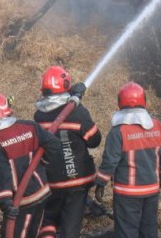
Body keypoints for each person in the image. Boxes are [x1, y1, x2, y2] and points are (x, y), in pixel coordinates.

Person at [94, 82, 161, 238]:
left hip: (127, 193)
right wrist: (160, 178)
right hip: (151, 190)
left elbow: (110, 161)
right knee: (149, 230)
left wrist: (100, 183)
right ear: (144, 101)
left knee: (126, 232)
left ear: (120, 102)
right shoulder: (157, 126)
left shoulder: (118, 131)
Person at [34, 66, 102, 238]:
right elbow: (95, 140)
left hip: (51, 181)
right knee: (70, 226)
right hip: (76, 182)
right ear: (66, 85)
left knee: (48, 219)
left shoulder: (38, 117)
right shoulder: (78, 113)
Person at [0, 91, 61, 238]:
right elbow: (54, 145)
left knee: (15, 234)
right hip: (42, 191)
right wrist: (42, 164)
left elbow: (1, 175)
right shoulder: (29, 126)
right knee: (36, 230)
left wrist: (6, 203)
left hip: (23, 200)